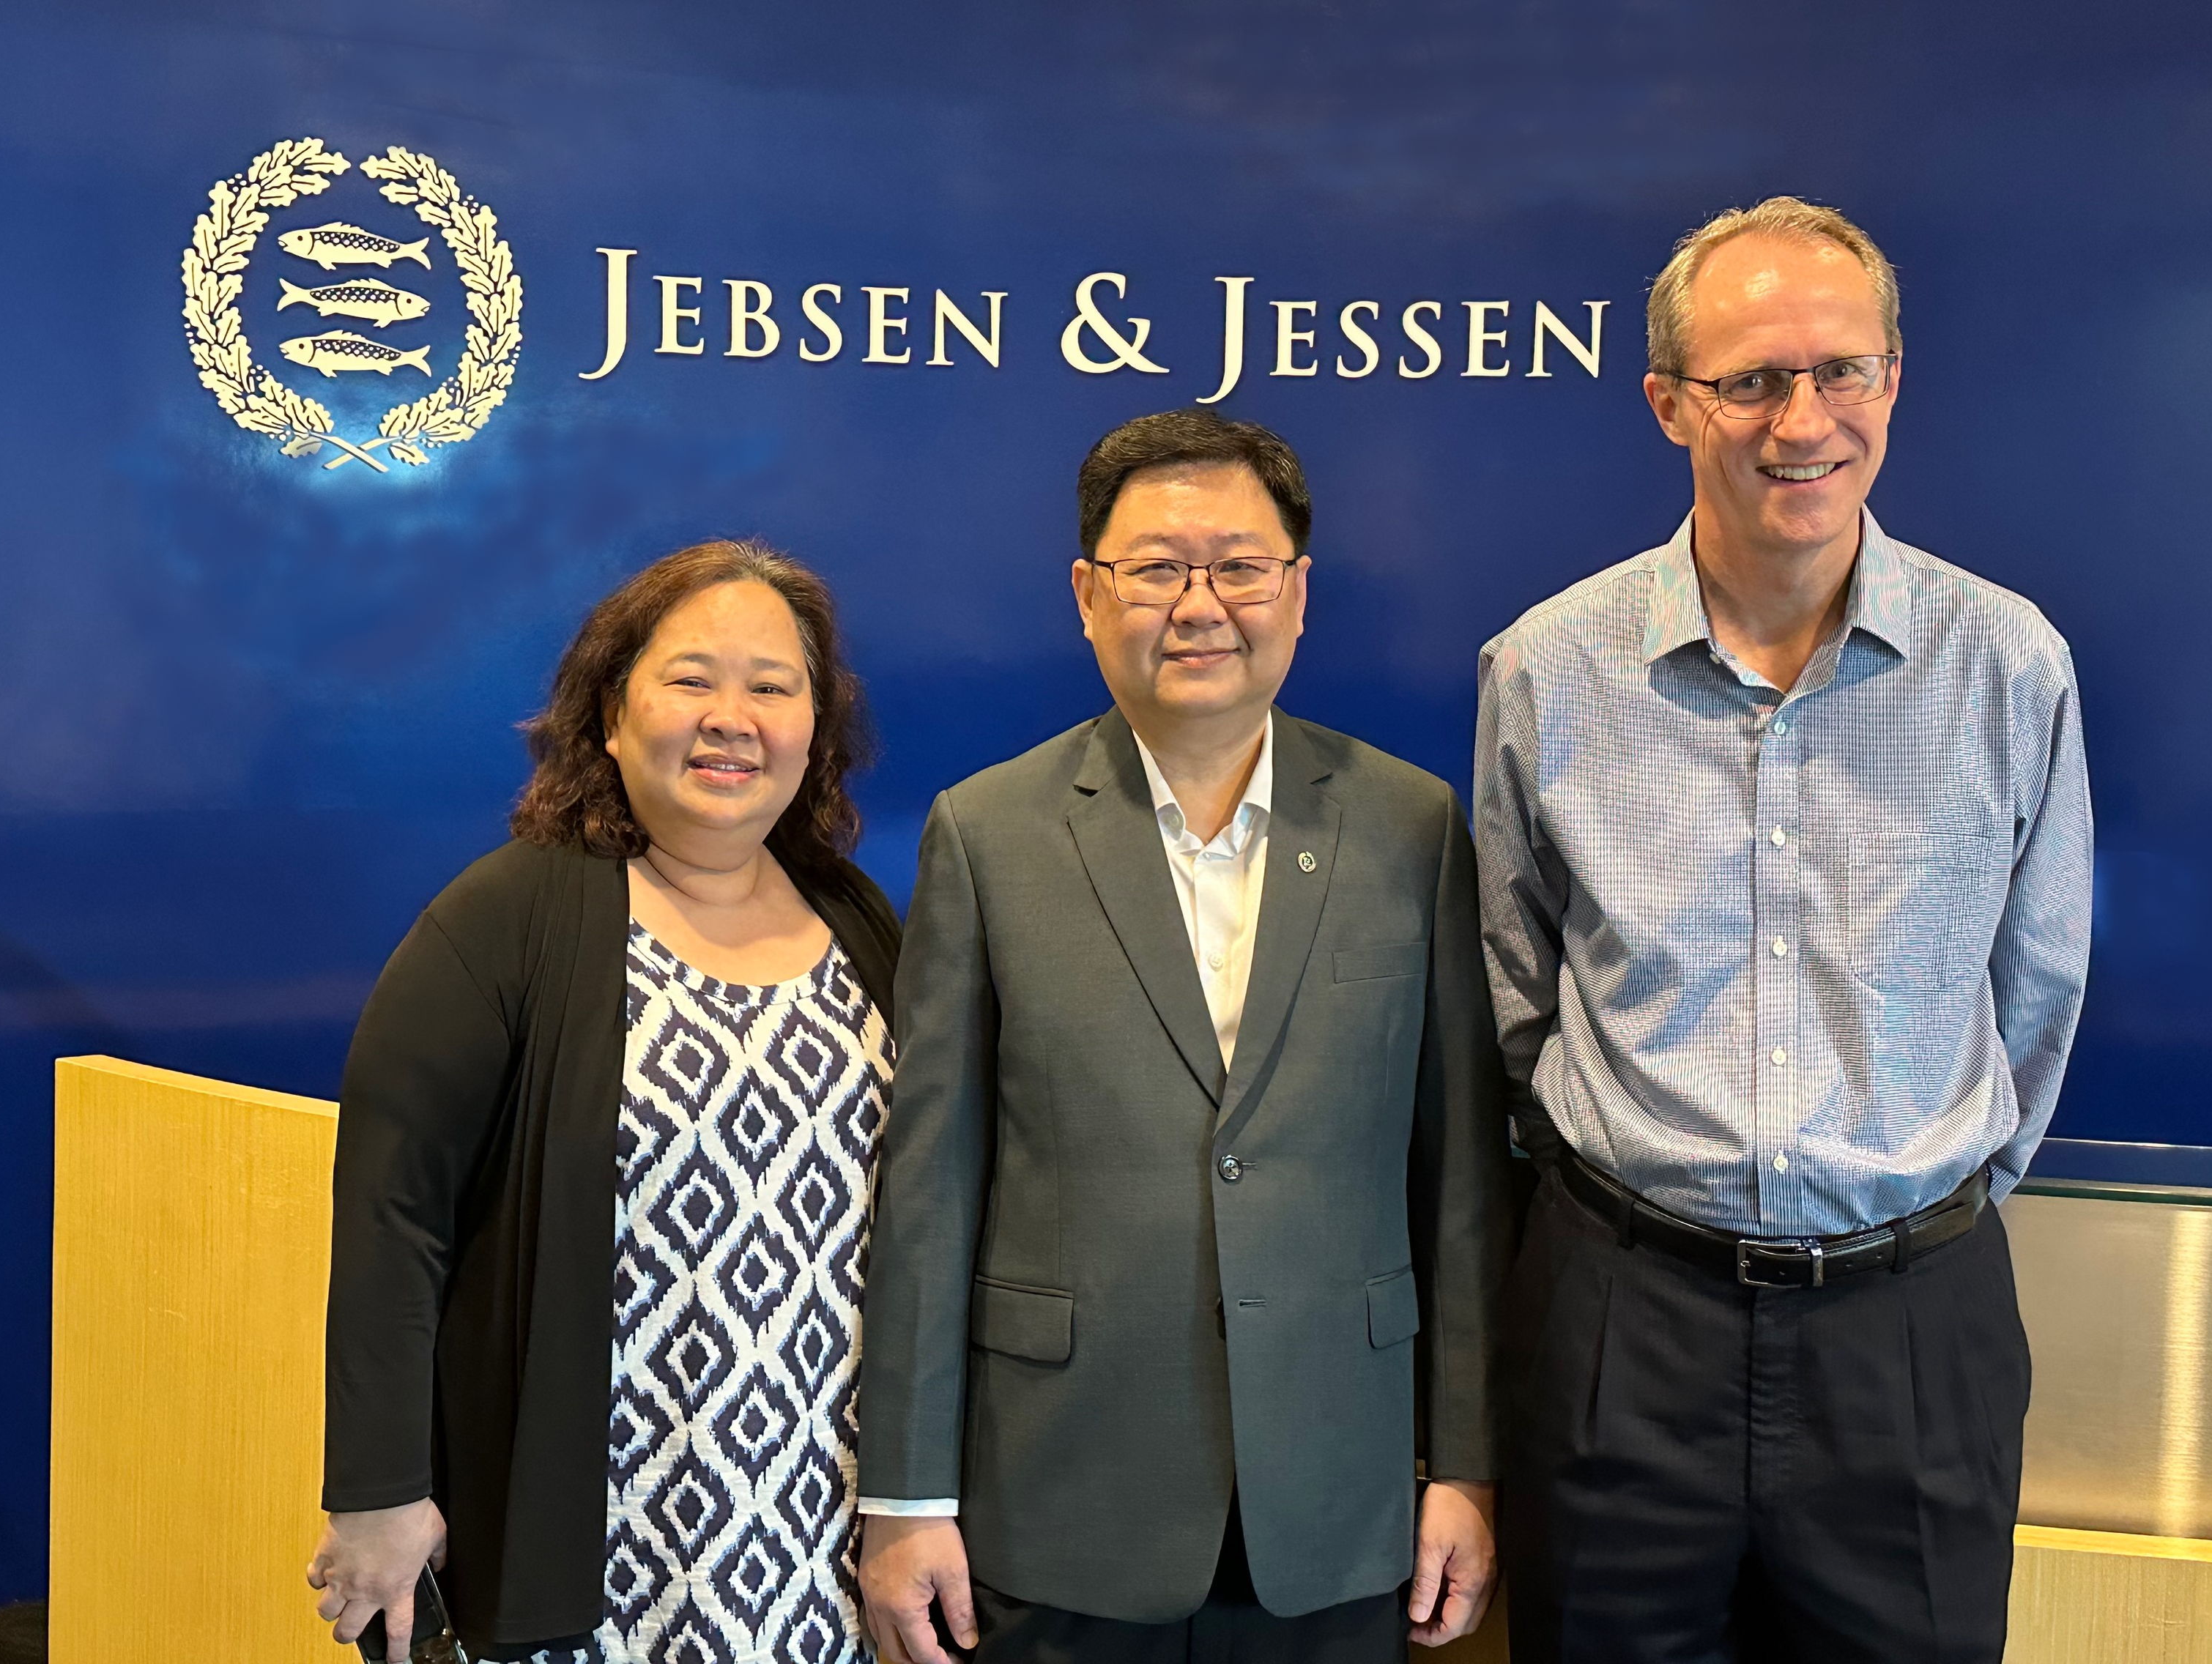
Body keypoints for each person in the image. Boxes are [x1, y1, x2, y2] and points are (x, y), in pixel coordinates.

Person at [1474, 197, 2094, 1663]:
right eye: (1750, 379)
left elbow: (2036, 986)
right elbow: (1514, 991)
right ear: (1669, 402)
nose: (1798, 417)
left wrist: (1904, 1207)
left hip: (1907, 1333)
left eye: (1839, 370)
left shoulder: (2006, 664)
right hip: (1621, 1321)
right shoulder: (1545, 669)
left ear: (1890, 380)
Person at [856, 409, 1513, 1664]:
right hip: (1060, 1494)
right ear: (1088, 596)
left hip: (1338, 1499)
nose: (1199, 603)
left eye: (1239, 566)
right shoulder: (986, 835)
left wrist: (1467, 1465)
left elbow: (1462, 1189)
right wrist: (905, 1495)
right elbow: (931, 1188)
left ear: (1298, 592)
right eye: (1155, 568)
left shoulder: (1409, 827)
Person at [306, 541, 902, 1663]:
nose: (734, 717)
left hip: (815, 1541)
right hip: (581, 1542)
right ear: (611, 716)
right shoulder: (506, 921)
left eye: (773, 687)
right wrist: (379, 1495)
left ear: (814, 732)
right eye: (691, 680)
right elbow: (394, 1220)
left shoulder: (860, 924)